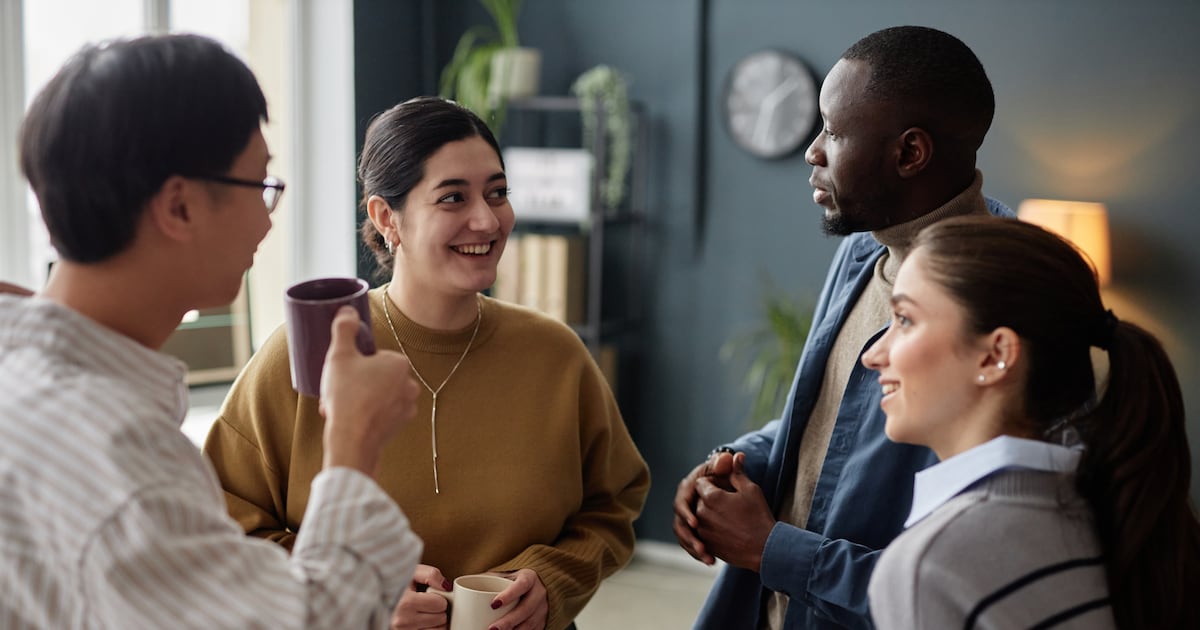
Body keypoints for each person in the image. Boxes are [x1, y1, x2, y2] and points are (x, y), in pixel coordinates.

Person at [0, 34, 424, 629]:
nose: (266, 223)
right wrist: (354, 443)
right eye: (260, 186)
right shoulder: (118, 463)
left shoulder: (23, 369)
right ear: (179, 208)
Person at [203, 96, 651, 630]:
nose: (486, 219)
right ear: (386, 217)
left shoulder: (557, 355)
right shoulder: (307, 356)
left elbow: (613, 506)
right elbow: (223, 532)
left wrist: (554, 579)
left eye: (497, 193)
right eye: (453, 198)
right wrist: (357, 593)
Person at [674, 26, 1012, 629]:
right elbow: (827, 422)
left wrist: (772, 549)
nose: (812, 151)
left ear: (909, 153)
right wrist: (735, 462)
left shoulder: (1005, 308)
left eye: (831, 130)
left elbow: (959, 589)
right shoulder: (862, 252)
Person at [862, 216, 1200, 629]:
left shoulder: (930, 565)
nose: (873, 355)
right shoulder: (1107, 506)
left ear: (996, 356)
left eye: (905, 320)